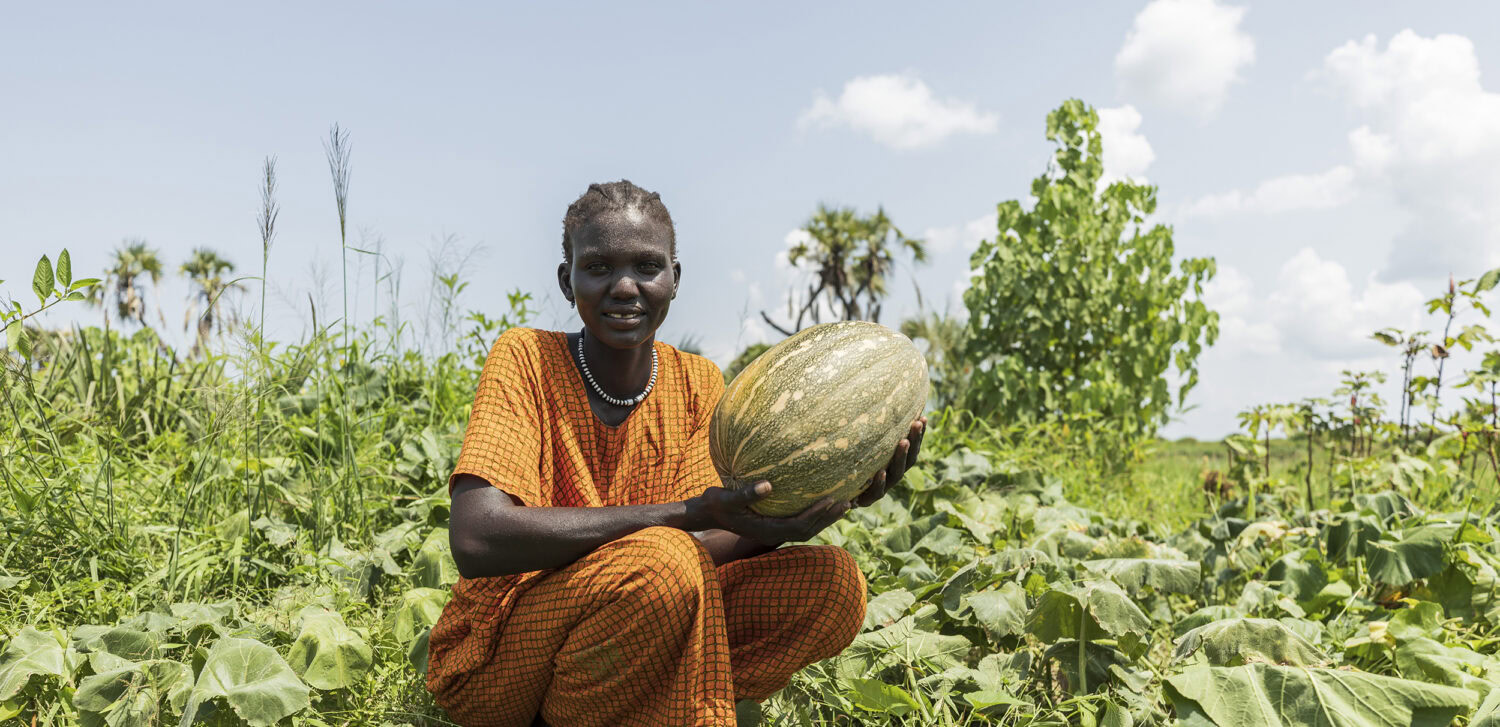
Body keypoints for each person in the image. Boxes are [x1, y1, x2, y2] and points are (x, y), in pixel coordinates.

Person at [425, 180, 927, 727]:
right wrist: (684, 517)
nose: (624, 286)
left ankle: (628, 708)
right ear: (567, 281)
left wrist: (812, 508)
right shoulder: (526, 359)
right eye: (597, 267)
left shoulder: (698, 383)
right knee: (665, 562)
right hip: (504, 656)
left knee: (831, 588)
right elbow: (477, 539)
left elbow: (708, 543)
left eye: (647, 266)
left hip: (639, 615)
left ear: (674, 279)